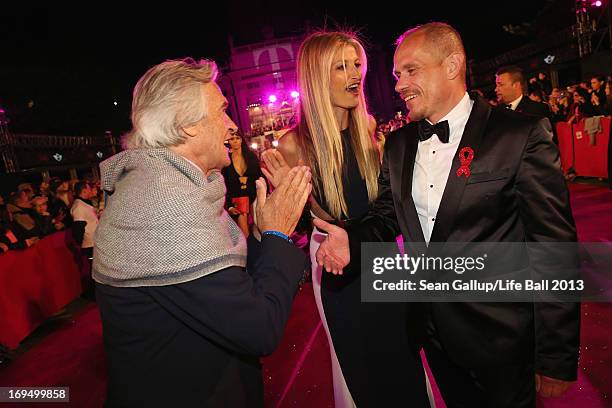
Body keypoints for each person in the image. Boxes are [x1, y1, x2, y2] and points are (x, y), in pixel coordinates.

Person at [315, 22, 580, 407]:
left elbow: (553, 248)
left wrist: (555, 356)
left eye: (411, 71)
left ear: (453, 65)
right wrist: (351, 239)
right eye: (396, 75)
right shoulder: (400, 144)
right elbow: (388, 216)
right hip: (434, 337)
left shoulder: (519, 135)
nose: (398, 85)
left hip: (503, 342)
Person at [93, 57, 312, 407]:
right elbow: (258, 328)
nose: (231, 125)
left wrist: (262, 233)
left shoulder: (167, 184)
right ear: (187, 123)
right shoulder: (164, 203)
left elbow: (225, 286)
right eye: (222, 111)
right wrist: (277, 237)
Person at [261, 31, 431, 407]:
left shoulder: (367, 128)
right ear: (317, 78)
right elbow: (312, 224)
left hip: (384, 255)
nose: (355, 74)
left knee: (403, 364)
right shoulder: (293, 145)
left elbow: (382, 207)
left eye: (356, 64)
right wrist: (290, 196)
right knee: (364, 373)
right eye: (341, 67)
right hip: (338, 271)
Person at [221, 131, 263, 236]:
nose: (235, 141)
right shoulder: (226, 160)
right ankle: (249, 250)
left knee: (260, 229)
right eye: (232, 138)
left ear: (241, 140)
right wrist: (230, 205)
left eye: (237, 138)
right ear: (228, 141)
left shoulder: (251, 157)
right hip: (238, 198)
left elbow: (260, 177)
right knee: (245, 233)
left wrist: (264, 195)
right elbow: (225, 184)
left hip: (254, 195)